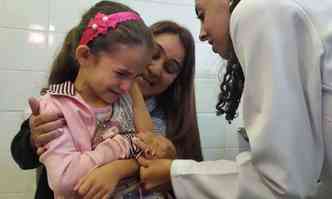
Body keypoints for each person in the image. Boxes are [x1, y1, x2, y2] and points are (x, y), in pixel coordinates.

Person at [136, 0, 332, 198]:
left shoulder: (258, 9)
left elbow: (279, 183)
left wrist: (174, 173)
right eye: (153, 54)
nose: (202, 34)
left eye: (202, 14)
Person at [11, 19, 202, 198]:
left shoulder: (175, 120)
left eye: (171, 67)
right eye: (154, 55)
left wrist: (168, 161)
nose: (156, 69)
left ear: (179, 79)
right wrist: (33, 139)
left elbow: (184, 180)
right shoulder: (67, 99)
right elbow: (22, 157)